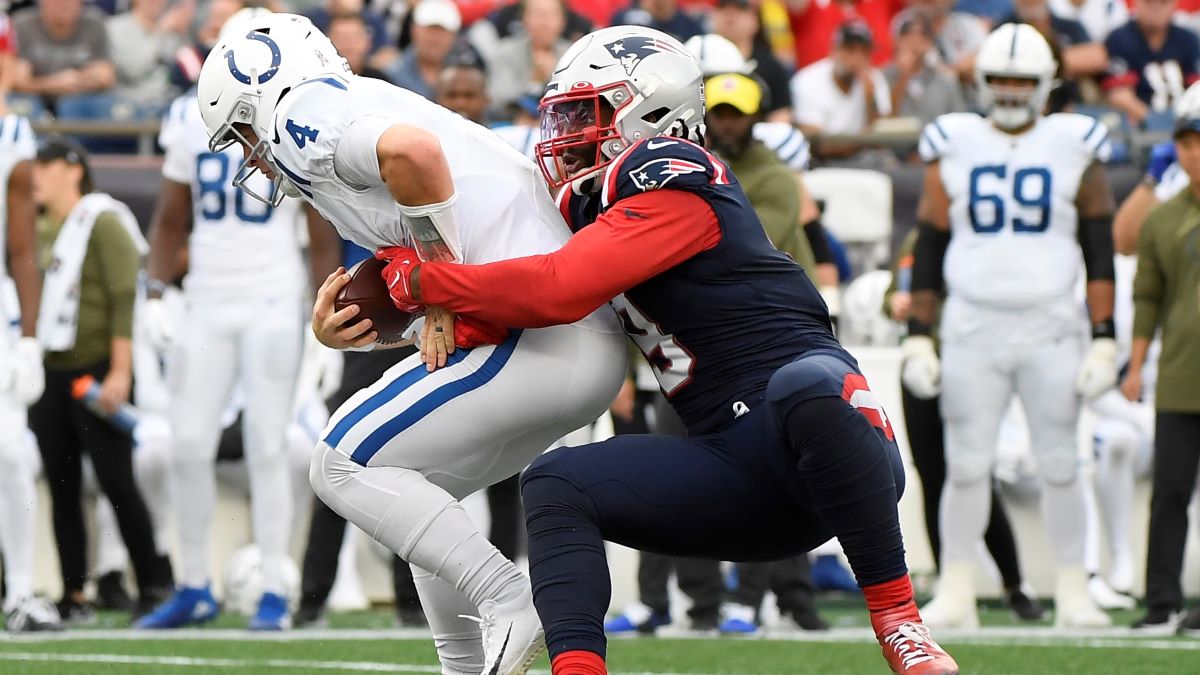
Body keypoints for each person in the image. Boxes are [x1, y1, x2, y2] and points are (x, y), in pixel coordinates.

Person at [382, 24, 959, 675]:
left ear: (648, 113)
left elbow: (557, 288)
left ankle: (901, 623)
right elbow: (513, 299)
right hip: (737, 474)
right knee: (555, 481)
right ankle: (576, 667)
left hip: (831, 446)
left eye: (583, 113)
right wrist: (383, 307)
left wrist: (426, 279)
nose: (564, 133)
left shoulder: (678, 174)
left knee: (802, 386)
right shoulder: (598, 209)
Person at [196, 13, 626, 674]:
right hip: (569, 340)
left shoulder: (305, 117)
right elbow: (423, 227)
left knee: (339, 460)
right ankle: (462, 661)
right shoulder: (351, 104)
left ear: (266, 98)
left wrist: (441, 289)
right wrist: (354, 325)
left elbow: (413, 155)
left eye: (246, 133)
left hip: (546, 330)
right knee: (416, 486)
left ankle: (507, 595)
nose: (252, 154)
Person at [903, 23, 1115, 629]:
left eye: (1023, 80)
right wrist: (921, 330)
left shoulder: (1075, 143)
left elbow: (1099, 247)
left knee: (1060, 461)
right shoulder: (956, 142)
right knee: (966, 464)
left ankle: (1074, 589)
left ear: (1047, 83)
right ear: (982, 82)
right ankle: (958, 588)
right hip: (973, 321)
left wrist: (1103, 335)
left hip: (1051, 322)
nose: (1012, 90)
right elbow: (933, 241)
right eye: (1001, 78)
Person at [133, 8, 335, 631]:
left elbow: (318, 218)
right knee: (189, 443)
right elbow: (172, 218)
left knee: (267, 448)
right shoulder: (186, 116)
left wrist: (324, 301)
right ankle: (194, 585)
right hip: (209, 299)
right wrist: (159, 291)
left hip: (274, 295)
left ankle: (274, 587)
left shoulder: (287, 113)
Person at [29, 135, 174, 624]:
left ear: (73, 170)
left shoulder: (102, 219)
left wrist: (120, 370)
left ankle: (153, 582)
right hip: (52, 368)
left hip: (96, 367)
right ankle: (75, 592)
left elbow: (122, 297)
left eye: (46, 166)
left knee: (116, 480)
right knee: (63, 484)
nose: (38, 176)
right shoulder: (42, 227)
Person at [882, 230, 1045, 623]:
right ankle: (950, 586)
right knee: (932, 478)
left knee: (974, 476)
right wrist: (895, 304)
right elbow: (893, 294)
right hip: (920, 367)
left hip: (969, 365)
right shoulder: (915, 241)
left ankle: (1014, 583)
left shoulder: (980, 238)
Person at [1122, 111, 1200, 635]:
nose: (1194, 154)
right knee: (1169, 489)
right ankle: (1161, 600)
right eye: (1186, 146)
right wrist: (1135, 364)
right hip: (1179, 375)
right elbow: (1147, 295)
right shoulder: (1163, 219)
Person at [0, 110, 60, 633]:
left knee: (14, 452)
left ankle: (19, 592)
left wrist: (28, 338)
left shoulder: (13, 136)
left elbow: (22, 247)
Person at [790, 22, 892, 160]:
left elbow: (883, 140)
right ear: (834, 50)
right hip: (822, 164)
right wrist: (866, 139)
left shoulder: (874, 79)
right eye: (850, 50)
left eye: (864, 51)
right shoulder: (808, 81)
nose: (856, 58)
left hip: (864, 159)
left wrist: (870, 99)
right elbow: (817, 145)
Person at [1104, 0, 1199, 126]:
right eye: (1149, 2)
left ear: (1174, 4)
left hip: (1187, 124)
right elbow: (1120, 95)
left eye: (1163, 2)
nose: (1155, 7)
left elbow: (1196, 88)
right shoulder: (1120, 38)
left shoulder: (1188, 39)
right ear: (1136, 3)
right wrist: (1156, 121)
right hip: (1140, 125)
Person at [11, 0, 116, 112]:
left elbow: (107, 76)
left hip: (82, 100)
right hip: (36, 101)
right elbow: (16, 82)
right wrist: (52, 84)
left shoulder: (94, 22)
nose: (64, 4)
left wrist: (81, 78)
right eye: (57, 2)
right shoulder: (23, 25)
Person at [488, 0, 571, 115]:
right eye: (538, 15)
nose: (545, 23)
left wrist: (555, 77)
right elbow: (498, 100)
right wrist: (534, 82)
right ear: (523, 20)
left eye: (552, 15)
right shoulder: (505, 53)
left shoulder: (572, 53)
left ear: (563, 22)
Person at [883, 13, 966, 127]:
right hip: (897, 143)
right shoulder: (884, 77)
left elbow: (959, 120)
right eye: (907, 35)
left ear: (929, 42)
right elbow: (883, 120)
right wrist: (904, 76)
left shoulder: (943, 80)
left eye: (921, 36)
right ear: (898, 41)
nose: (914, 42)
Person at [387, 0, 461, 100]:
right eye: (429, 30)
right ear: (414, 30)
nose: (435, 39)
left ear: (453, 36)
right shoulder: (392, 74)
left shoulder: (464, 74)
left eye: (442, 32)